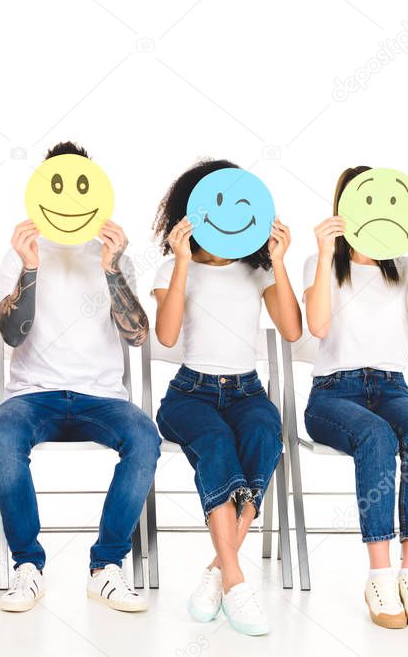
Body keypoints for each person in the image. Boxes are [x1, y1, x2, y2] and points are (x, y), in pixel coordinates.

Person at [0, 141, 161, 613]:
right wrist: (28, 267)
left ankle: (106, 568)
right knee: (4, 436)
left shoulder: (110, 254)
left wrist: (112, 270)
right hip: (32, 394)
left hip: (101, 397)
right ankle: (28, 566)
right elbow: (10, 333)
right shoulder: (22, 252)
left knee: (145, 438)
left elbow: (138, 336)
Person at [151, 159, 302, 636]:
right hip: (189, 394)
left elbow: (294, 330)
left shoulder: (257, 270)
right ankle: (238, 581)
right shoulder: (172, 266)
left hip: (246, 390)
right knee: (216, 443)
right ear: (189, 210)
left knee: (263, 435)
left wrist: (278, 262)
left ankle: (219, 568)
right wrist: (180, 261)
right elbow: (168, 335)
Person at [302, 165, 408, 630]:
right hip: (332, 393)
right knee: (378, 436)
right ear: (344, 209)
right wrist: (325, 252)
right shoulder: (320, 261)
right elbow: (318, 327)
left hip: (390, 388)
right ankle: (379, 575)